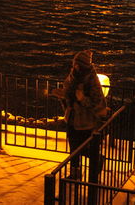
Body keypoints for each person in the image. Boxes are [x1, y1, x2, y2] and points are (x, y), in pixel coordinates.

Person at [52, 50, 107, 179]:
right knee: (73, 148)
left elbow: (97, 102)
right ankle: (75, 173)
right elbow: (69, 92)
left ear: (83, 65)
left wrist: (82, 99)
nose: (74, 66)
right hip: (71, 117)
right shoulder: (73, 75)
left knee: (82, 148)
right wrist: (62, 94)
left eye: (77, 64)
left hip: (85, 121)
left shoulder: (92, 80)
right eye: (74, 64)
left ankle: (97, 160)